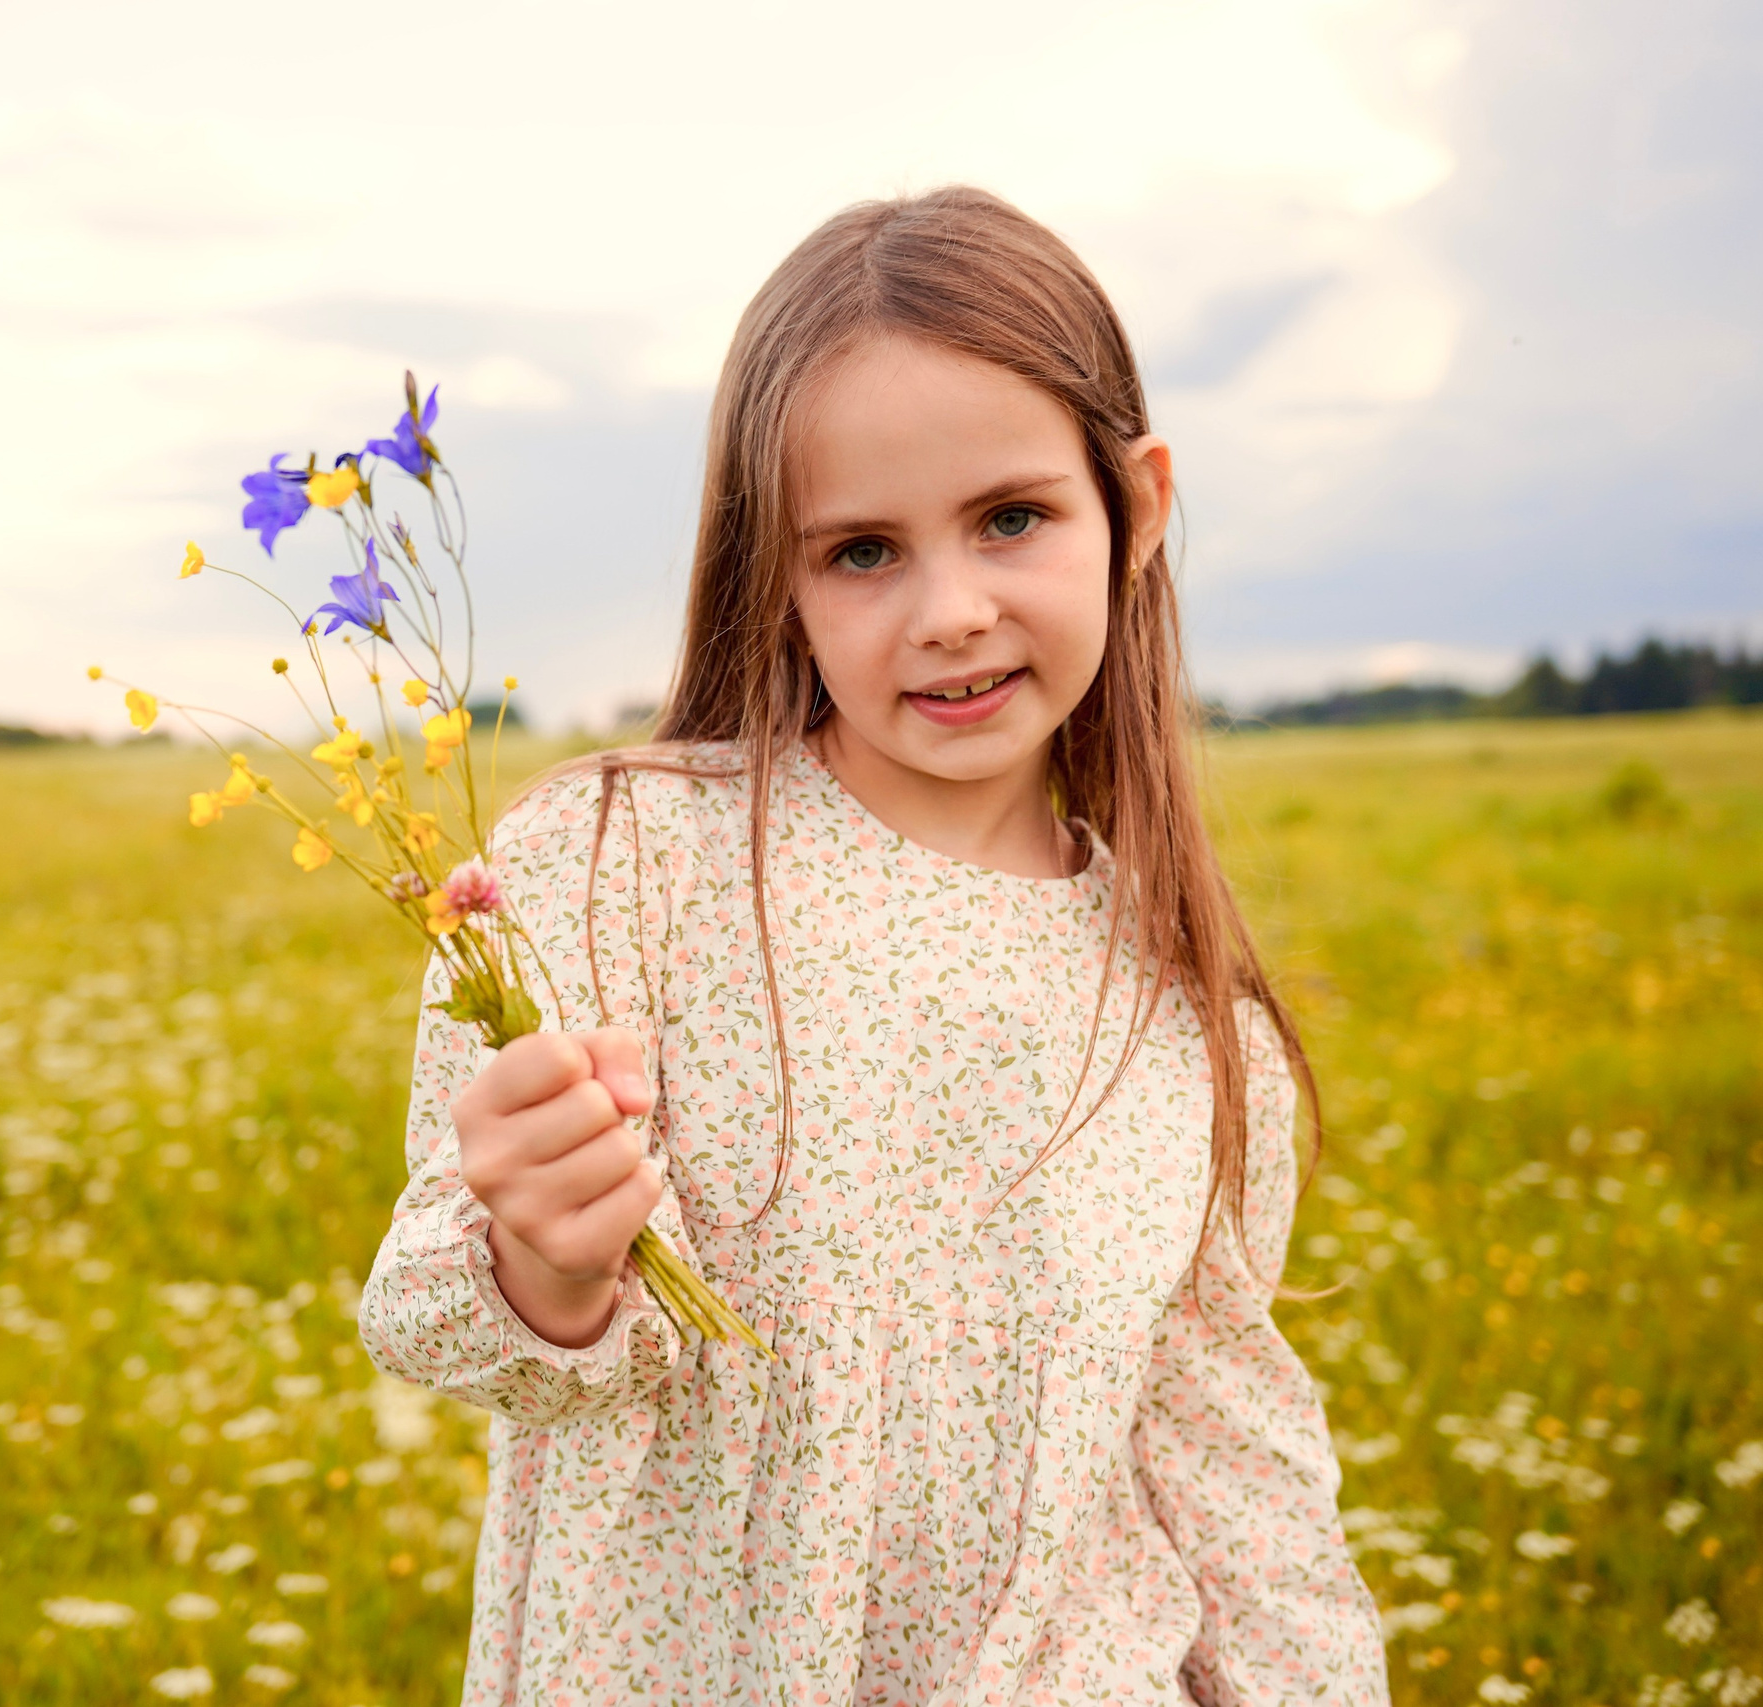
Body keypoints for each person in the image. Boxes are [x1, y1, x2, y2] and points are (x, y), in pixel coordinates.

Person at [356, 188, 1390, 1704]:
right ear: (774, 570)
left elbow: (1240, 1481)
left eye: (1013, 520)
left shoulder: (1189, 1026)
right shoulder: (615, 864)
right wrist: (542, 1255)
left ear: (1139, 509)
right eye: (861, 553)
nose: (951, 611)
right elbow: (437, 1320)